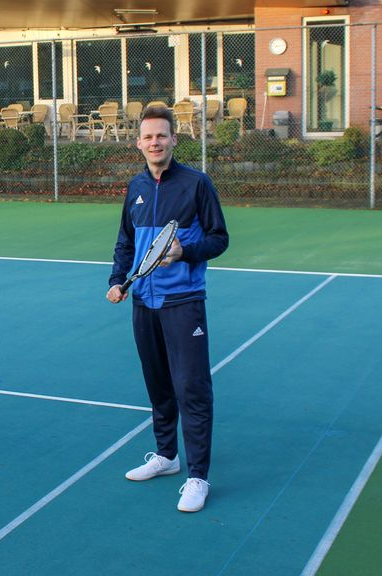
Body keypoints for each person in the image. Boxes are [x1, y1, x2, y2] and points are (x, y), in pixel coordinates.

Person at [106, 105, 229, 513]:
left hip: (183, 303)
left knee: (191, 389)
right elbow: (125, 242)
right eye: (148, 137)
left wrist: (185, 251)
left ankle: (197, 477)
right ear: (138, 142)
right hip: (143, 302)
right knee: (158, 386)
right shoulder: (135, 187)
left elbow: (219, 238)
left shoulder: (196, 184)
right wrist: (117, 281)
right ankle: (167, 457)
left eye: (162, 135)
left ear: (174, 139)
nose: (155, 142)